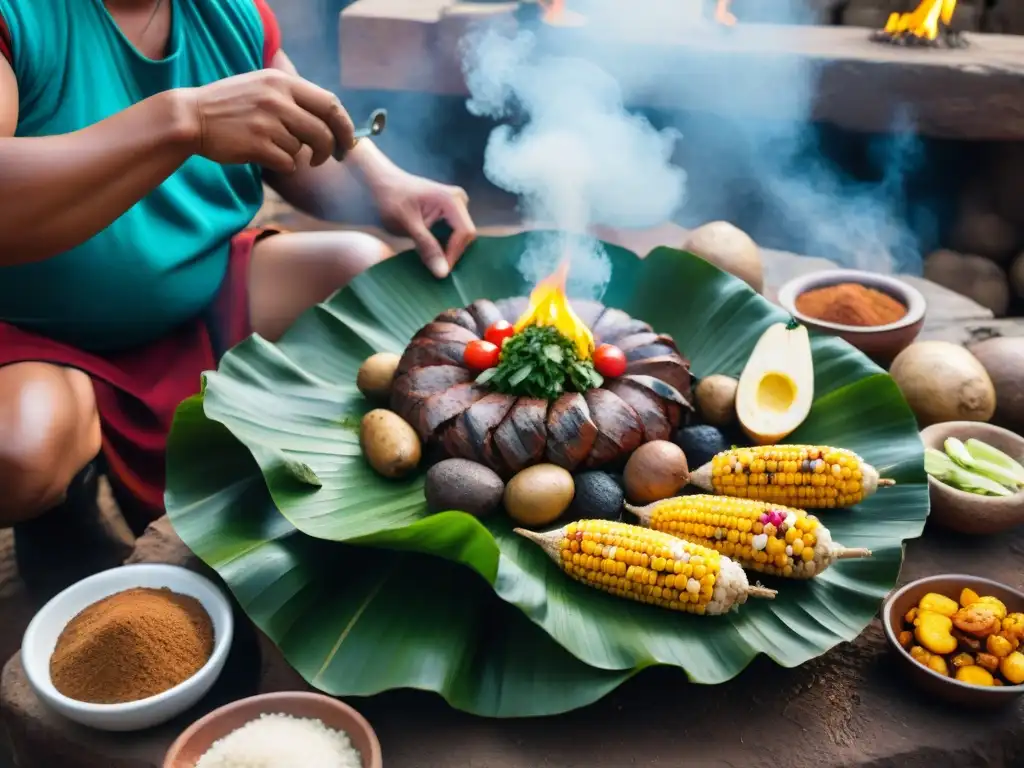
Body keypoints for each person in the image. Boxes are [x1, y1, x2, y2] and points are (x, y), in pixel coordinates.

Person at [0, 0, 477, 574]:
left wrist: (386, 185)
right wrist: (185, 121)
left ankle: (293, 488)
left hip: (200, 289)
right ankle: (62, 513)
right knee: (21, 450)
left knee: (359, 271)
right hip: (35, 324)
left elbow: (298, 134)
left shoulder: (226, 12)